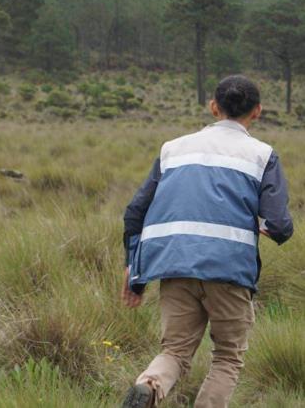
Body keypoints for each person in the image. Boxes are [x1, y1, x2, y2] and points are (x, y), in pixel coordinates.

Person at [120, 75, 294, 408]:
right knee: (228, 357)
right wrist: (268, 228)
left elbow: (134, 213)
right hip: (229, 271)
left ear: (213, 107)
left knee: (175, 352)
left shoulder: (172, 149)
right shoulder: (263, 155)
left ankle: (150, 386)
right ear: (257, 112)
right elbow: (279, 224)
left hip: (174, 265)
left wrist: (134, 269)